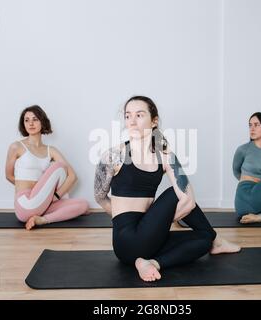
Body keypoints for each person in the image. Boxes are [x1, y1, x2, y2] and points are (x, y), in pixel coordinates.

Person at [94, 96, 240, 282]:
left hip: (146, 242)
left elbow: (189, 202)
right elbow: (100, 197)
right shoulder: (114, 155)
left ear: (154, 121)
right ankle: (217, 240)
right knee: (174, 193)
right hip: (126, 241)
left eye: (139, 115)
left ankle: (151, 263)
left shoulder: (165, 156)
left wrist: (157, 225)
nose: (132, 121)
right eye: (128, 115)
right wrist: (123, 219)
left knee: (203, 240)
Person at [5, 105, 89, 230]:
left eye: (35, 119)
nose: (31, 123)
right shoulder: (16, 146)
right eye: (26, 120)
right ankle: (42, 210)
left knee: (83, 205)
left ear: (42, 122)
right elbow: (9, 176)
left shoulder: (51, 150)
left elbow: (73, 177)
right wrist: (31, 190)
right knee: (59, 166)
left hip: (42, 203)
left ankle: (42, 220)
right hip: (25, 204)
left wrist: (54, 196)